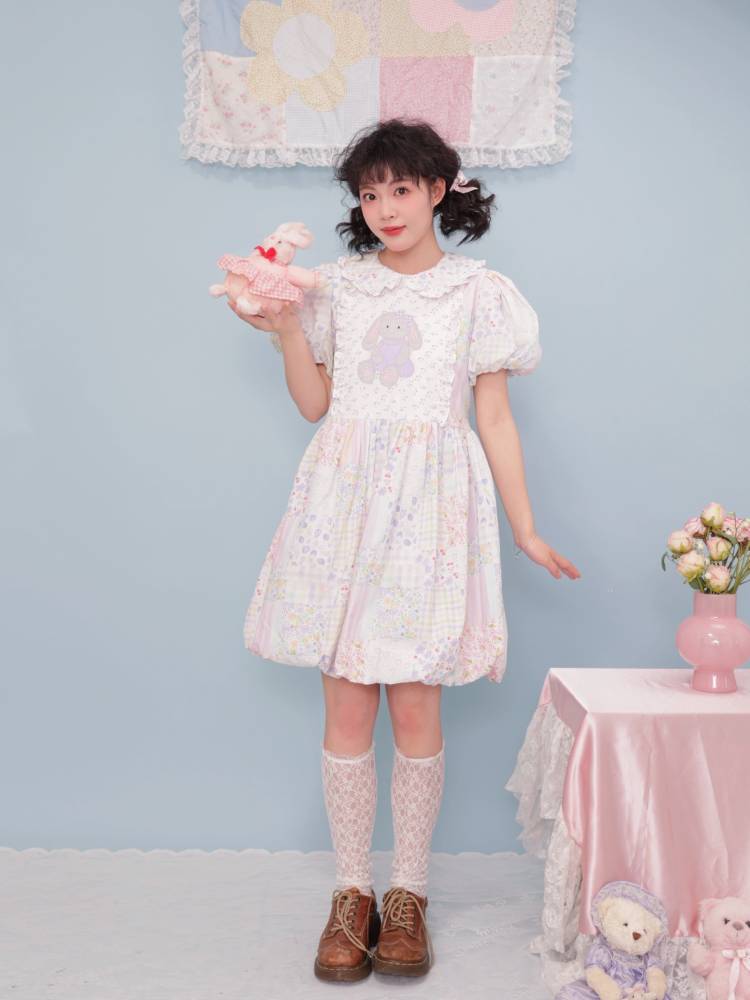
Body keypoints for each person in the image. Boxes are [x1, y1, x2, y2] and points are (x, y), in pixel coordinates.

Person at [231, 118, 581, 983]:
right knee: (347, 705)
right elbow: (315, 404)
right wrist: (287, 330)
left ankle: (410, 894)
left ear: (438, 190)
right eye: (368, 192)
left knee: (417, 706)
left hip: (429, 514)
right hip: (343, 507)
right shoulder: (339, 288)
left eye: (400, 188)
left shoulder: (477, 293)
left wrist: (525, 527)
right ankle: (352, 892)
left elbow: (493, 417)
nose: (384, 207)